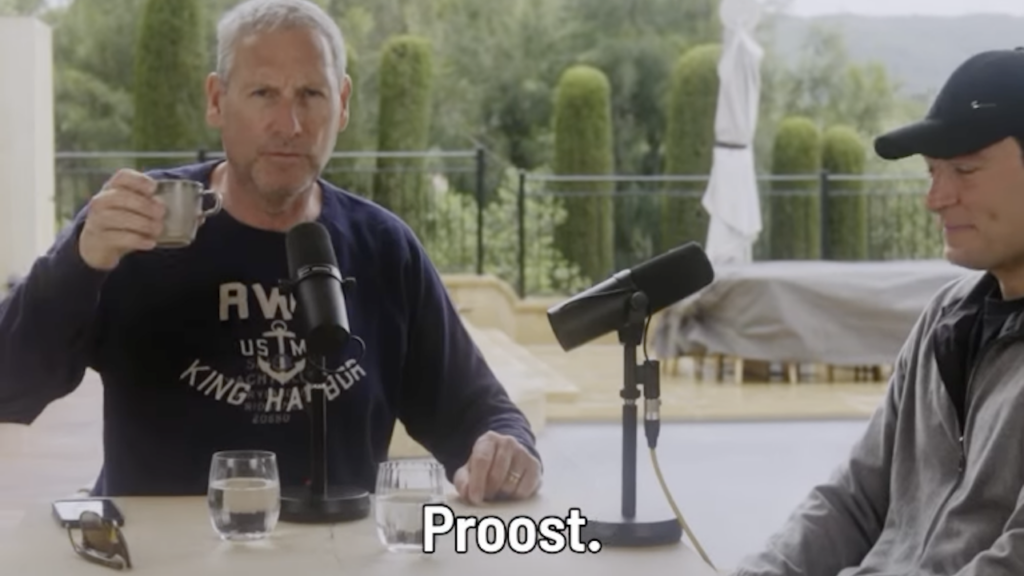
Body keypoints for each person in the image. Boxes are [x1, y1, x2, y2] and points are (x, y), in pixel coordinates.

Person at [0, 0, 542, 506]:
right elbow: (10, 389)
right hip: (161, 556)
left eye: (311, 94)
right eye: (263, 94)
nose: (289, 125)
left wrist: (506, 451)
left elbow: (478, 413)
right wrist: (79, 264)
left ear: (343, 103)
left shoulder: (383, 248)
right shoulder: (139, 227)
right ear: (217, 100)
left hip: (336, 553)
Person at [730, 47, 1024, 576]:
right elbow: (855, 498)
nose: (935, 197)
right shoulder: (945, 319)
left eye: (964, 169)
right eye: (932, 171)